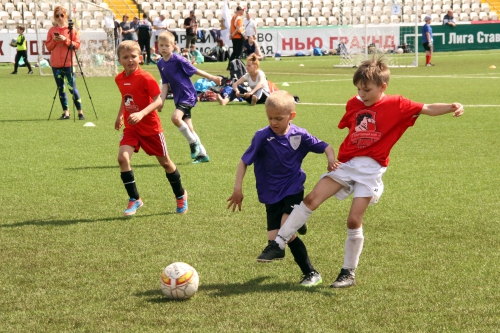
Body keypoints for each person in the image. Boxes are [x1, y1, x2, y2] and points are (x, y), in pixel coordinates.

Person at [259, 57, 464, 288]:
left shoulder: (397, 104)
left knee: (354, 220)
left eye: (366, 90)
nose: (361, 94)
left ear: (382, 87)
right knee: (311, 199)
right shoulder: (353, 104)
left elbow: (426, 108)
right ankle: (278, 242)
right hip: (346, 165)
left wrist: (452, 106)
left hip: (371, 170)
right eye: (358, 89)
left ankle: (348, 273)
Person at [227, 90, 336, 286]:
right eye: (270, 118)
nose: (273, 122)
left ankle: (311, 273)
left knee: (282, 234)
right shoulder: (262, 136)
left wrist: (331, 160)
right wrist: (237, 189)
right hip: (270, 194)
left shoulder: (299, 135)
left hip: (293, 188)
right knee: (282, 238)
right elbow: (244, 162)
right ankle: (297, 224)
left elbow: (326, 146)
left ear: (291, 116)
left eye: (278, 118)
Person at [114, 40, 188, 216]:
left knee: (165, 163)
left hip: (150, 128)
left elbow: (159, 100)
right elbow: (126, 98)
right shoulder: (119, 78)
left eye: (133, 56)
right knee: (123, 158)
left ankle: (181, 195)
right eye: (125, 57)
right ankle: (134, 199)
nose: (130, 60)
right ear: (119, 60)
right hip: (132, 127)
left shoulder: (146, 77)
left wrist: (141, 114)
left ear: (140, 58)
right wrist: (120, 116)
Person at [156, 31, 222, 164]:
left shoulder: (178, 60)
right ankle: (203, 155)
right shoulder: (160, 63)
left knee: (175, 118)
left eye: (166, 45)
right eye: (161, 45)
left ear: (173, 46)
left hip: (188, 95)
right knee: (189, 128)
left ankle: (193, 144)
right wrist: (161, 101)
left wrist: (213, 78)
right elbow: (165, 84)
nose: (163, 48)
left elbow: (195, 70)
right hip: (178, 97)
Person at [45, 6, 85, 120]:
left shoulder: (71, 29)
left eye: (61, 15)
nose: (60, 18)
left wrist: (65, 40)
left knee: (72, 88)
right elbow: (48, 47)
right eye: (57, 15)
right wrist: (54, 40)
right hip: (56, 64)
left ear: (65, 15)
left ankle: (80, 112)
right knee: (61, 88)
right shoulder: (52, 30)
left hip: (69, 63)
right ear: (54, 17)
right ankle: (66, 112)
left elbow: (76, 45)